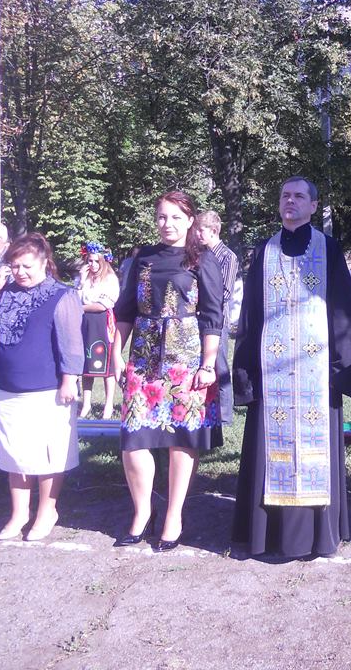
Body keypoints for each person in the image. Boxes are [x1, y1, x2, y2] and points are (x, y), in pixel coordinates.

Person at [231, 177, 351, 559]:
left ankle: (318, 538)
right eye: (285, 195)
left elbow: (343, 310)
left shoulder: (329, 248)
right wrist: (246, 373)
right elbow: (250, 312)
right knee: (267, 450)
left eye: (299, 196)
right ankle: (265, 537)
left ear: (313, 206)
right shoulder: (264, 250)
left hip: (316, 374)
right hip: (271, 371)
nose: (291, 201)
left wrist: (342, 368)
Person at [113, 191, 225, 552]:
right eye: (162, 216)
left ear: (190, 220)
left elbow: (213, 315)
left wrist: (208, 364)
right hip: (143, 359)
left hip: (186, 361)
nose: (168, 224)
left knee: (181, 439)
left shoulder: (202, 259)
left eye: (176, 217)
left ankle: (173, 516)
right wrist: (116, 354)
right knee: (134, 438)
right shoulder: (142, 257)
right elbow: (125, 310)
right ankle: (142, 513)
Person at [0, 232, 84, 541]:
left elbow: (72, 344)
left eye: (27, 266)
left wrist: (69, 379)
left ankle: (47, 511)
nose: (20, 272)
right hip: (8, 388)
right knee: (14, 455)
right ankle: (19, 513)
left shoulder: (62, 294)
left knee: (48, 455)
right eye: (15, 266)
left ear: (44, 263)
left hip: (49, 389)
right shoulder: (4, 292)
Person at [195, 210, 239, 425]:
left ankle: (225, 417)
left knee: (219, 367)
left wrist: (203, 300)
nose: (196, 234)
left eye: (200, 230)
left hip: (217, 321)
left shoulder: (227, 257)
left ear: (214, 231)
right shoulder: (197, 255)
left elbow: (226, 293)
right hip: (196, 319)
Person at [76, 242, 120, 419]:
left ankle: (108, 405)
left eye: (96, 261)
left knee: (106, 365)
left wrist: (81, 308)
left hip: (102, 323)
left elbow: (103, 305)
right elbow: (75, 298)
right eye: (90, 261)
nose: (93, 265)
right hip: (85, 324)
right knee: (87, 363)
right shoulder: (84, 279)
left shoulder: (110, 279)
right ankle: (86, 404)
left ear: (103, 261)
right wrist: (81, 281)